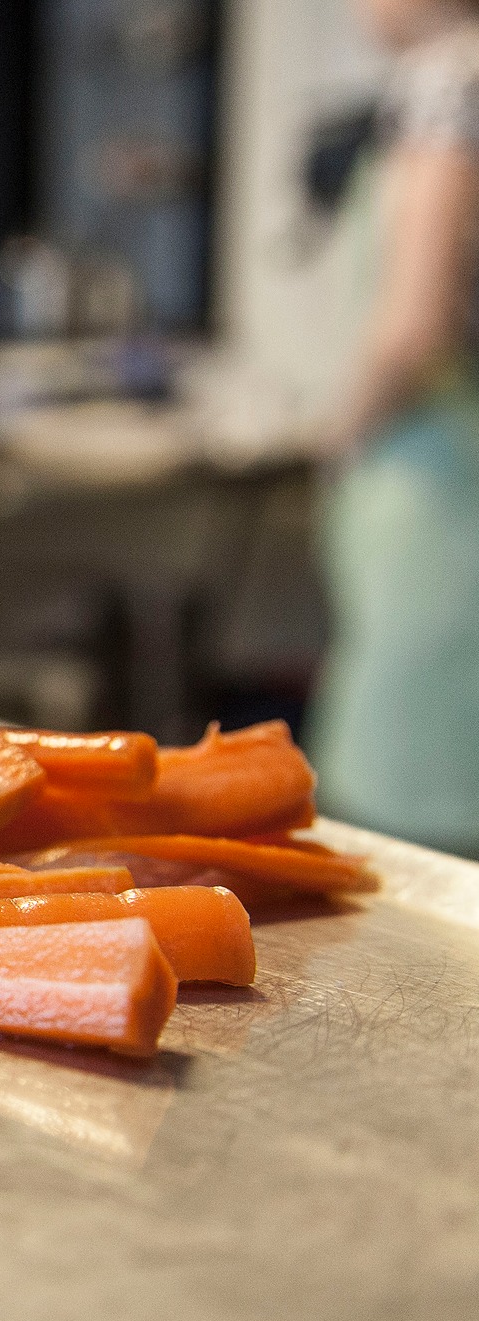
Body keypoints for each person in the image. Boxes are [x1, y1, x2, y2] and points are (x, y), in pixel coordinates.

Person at [312, 0, 479, 855]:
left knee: (407, 833)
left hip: (440, 482)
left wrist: (337, 436)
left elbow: (413, 326)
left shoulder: (451, 78)